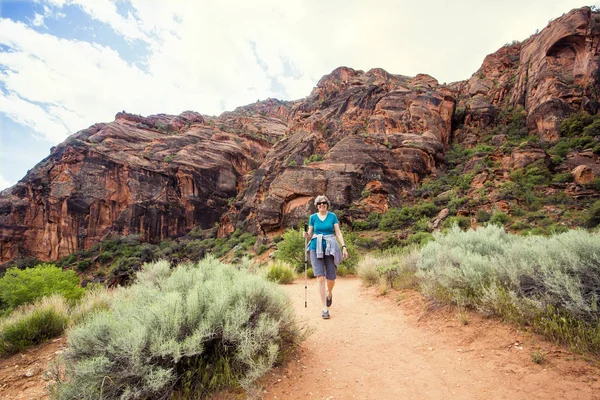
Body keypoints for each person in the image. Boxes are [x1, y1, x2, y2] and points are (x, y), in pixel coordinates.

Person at [304, 195, 348, 319]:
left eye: (324, 203)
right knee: (320, 278)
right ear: (317, 206)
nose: (322, 205)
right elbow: (310, 234)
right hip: (315, 247)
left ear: (327, 204)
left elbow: (338, 232)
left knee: (331, 278)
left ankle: (330, 293)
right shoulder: (313, 217)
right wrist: (306, 235)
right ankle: (324, 308)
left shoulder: (332, 216)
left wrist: (343, 246)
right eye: (319, 203)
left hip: (331, 247)